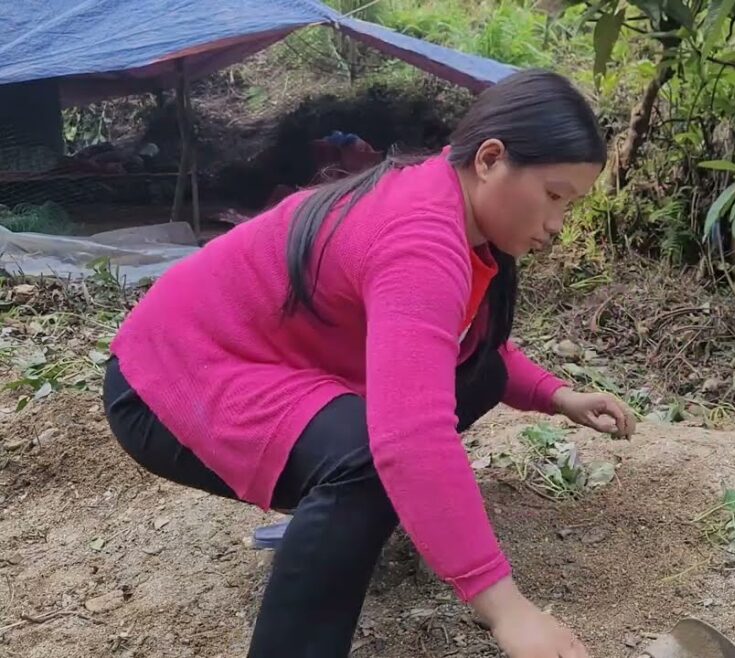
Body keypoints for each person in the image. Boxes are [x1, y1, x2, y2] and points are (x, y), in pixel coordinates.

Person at [101, 69, 636, 658]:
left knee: (474, 375)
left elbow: (457, 342)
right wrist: (506, 609)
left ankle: (344, 516)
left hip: (260, 361)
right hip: (171, 375)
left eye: (570, 204)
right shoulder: (420, 236)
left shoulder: (452, 207)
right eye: (554, 195)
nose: (558, 225)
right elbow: (409, 436)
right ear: (489, 159)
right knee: (371, 461)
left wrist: (555, 394)